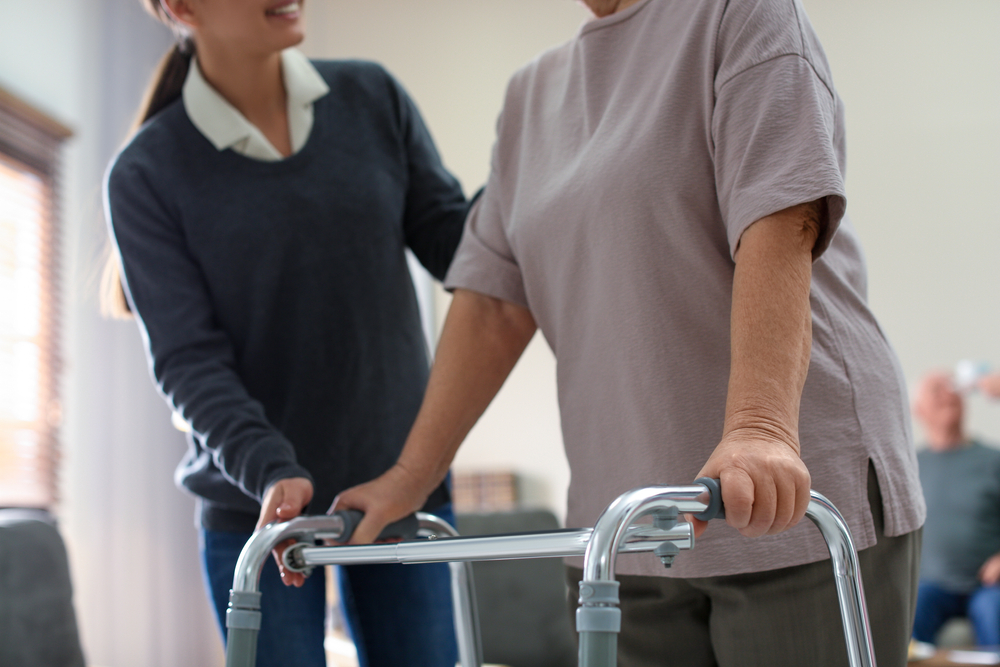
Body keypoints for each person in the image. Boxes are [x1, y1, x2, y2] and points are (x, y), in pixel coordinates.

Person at [332, 0, 926, 665]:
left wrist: (760, 427)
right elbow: (494, 303)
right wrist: (412, 473)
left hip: (786, 493)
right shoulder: (532, 95)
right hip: (627, 522)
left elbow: (779, 221)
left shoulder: (738, 14)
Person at [102, 1, 472, 666]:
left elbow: (459, 247)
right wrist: (270, 469)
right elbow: (189, 361)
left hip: (401, 492)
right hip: (257, 509)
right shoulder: (146, 174)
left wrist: (541, 186)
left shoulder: (373, 97)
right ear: (183, 8)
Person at [912, 372, 1000, 646]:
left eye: (954, 388)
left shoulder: (992, 460)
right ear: (919, 409)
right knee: (913, 611)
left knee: (991, 611)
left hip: (988, 586)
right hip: (933, 585)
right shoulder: (910, 466)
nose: (948, 394)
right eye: (937, 389)